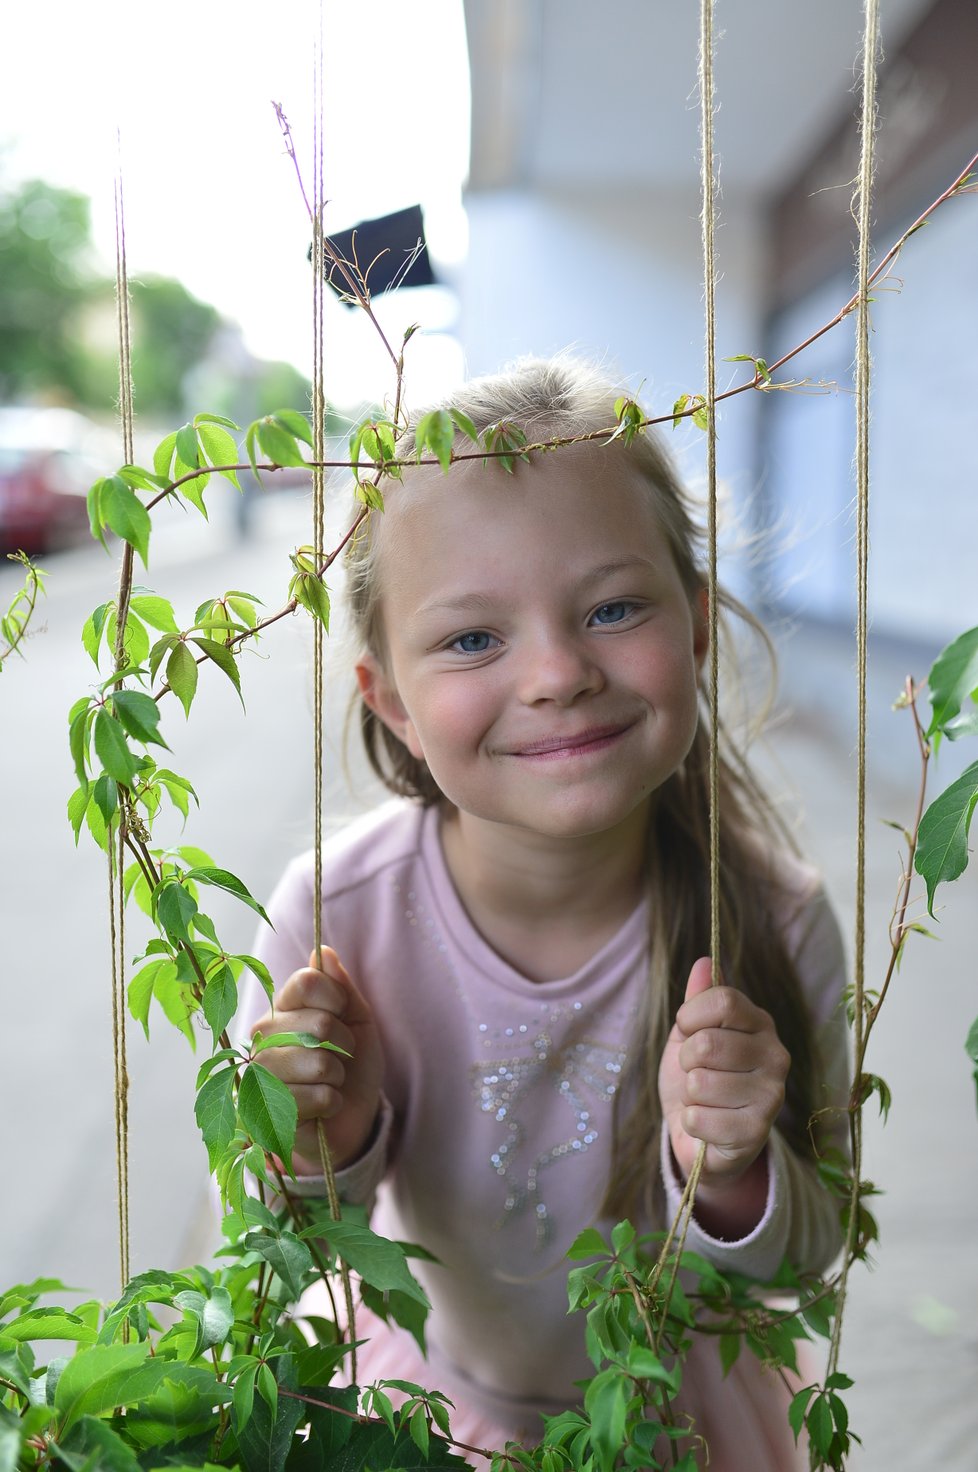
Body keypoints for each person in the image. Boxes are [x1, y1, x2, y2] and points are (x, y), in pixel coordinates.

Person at [246, 356, 850, 1470]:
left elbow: (812, 1250)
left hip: (690, 1429)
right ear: (392, 699)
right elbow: (277, 1239)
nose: (560, 672)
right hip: (423, 1419)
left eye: (614, 608)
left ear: (700, 626)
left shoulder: (777, 917)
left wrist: (730, 1172)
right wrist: (322, 1147)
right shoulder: (335, 919)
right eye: (474, 638)